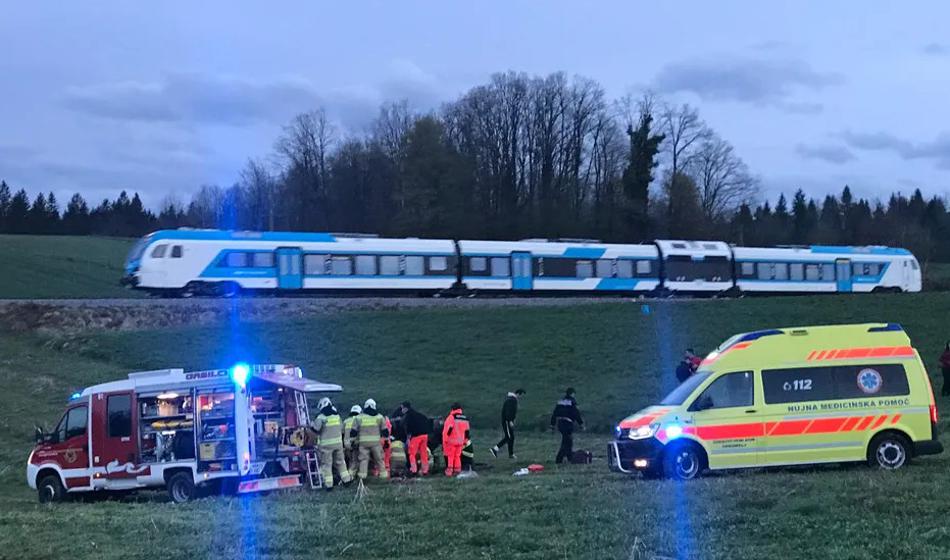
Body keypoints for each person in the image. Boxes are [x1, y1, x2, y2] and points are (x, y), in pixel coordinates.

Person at [311, 397, 351, 491]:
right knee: (341, 462)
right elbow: (342, 429)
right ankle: (347, 480)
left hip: (326, 446)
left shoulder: (321, 417)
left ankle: (329, 485)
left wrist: (311, 424)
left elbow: (316, 429)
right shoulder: (337, 416)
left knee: (327, 465)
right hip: (338, 444)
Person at [350, 398, 390, 481]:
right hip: (376, 443)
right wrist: (386, 441)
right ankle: (383, 477)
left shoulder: (358, 418)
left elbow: (353, 431)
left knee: (363, 460)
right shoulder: (379, 417)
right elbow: (385, 431)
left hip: (363, 443)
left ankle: (362, 478)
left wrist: (352, 441)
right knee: (379, 460)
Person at [550, 387, 583, 464]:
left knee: (568, 440)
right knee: (566, 442)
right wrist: (581, 423)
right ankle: (559, 459)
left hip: (560, 423)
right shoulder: (572, 402)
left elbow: (555, 413)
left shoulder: (560, 402)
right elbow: (576, 413)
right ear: (572, 393)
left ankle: (569, 457)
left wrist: (552, 424)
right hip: (568, 423)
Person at [490, 389, 525, 459]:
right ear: (519, 394)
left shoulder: (511, 399)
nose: (521, 398)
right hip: (507, 421)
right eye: (521, 396)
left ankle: (511, 454)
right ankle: (495, 449)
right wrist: (510, 420)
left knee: (511, 437)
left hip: (507, 421)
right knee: (508, 437)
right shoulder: (512, 400)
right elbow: (509, 411)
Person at [401, 401, 432, 476]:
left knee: (412, 453)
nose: (401, 410)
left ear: (406, 408)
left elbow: (408, 427)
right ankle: (425, 470)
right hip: (424, 435)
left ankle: (413, 470)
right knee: (423, 453)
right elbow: (427, 421)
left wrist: (408, 437)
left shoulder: (408, 416)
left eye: (402, 408)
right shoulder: (419, 414)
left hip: (416, 436)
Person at [442, 403, 470, 477]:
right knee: (457, 456)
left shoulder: (451, 417)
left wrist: (446, 438)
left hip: (451, 441)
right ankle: (457, 470)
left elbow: (449, 428)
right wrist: (465, 440)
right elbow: (467, 431)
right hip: (460, 441)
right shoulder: (464, 418)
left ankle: (449, 472)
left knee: (450, 456)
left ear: (452, 409)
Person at [343, 405, 361, 480]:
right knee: (355, 462)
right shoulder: (359, 420)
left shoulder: (345, 421)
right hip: (355, 445)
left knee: (350, 461)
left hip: (346, 445)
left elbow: (342, 433)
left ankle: (351, 476)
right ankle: (350, 477)